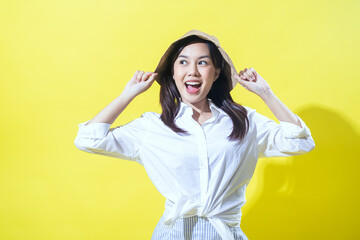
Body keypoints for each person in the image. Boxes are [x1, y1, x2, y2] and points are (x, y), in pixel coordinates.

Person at [74, 29, 315, 240]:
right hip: (172, 235)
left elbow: (301, 142)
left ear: (217, 71)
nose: (193, 71)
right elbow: (89, 139)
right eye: (183, 62)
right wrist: (128, 94)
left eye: (202, 62)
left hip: (224, 233)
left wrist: (266, 93)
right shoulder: (153, 127)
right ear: (173, 71)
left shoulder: (245, 121)